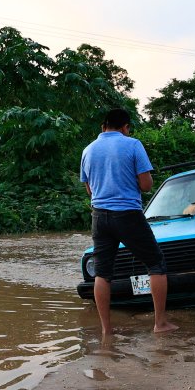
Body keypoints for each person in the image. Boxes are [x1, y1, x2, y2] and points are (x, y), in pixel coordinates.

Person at [80, 108, 177, 336]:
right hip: (127, 214)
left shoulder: (88, 150)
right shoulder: (132, 144)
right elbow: (145, 185)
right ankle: (160, 323)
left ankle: (106, 330)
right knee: (155, 264)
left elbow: (89, 188)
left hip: (99, 216)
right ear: (125, 127)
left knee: (102, 273)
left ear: (103, 127)